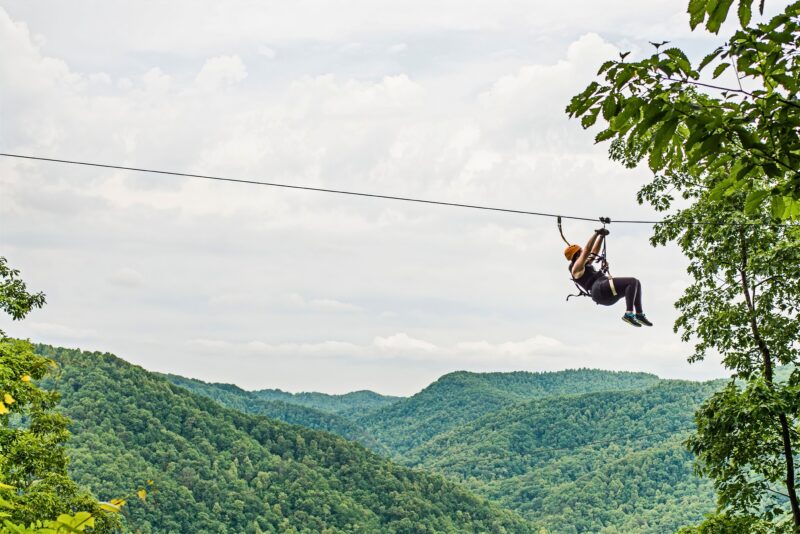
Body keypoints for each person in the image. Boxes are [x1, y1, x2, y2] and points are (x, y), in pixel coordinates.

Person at [564, 229, 653, 327]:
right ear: (577, 256)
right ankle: (628, 314)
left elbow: (593, 251)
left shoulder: (585, 265)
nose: (583, 253)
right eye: (580, 252)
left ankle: (639, 314)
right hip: (599, 290)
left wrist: (601, 236)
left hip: (605, 295)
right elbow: (587, 250)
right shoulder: (576, 269)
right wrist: (596, 233)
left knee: (636, 283)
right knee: (631, 282)